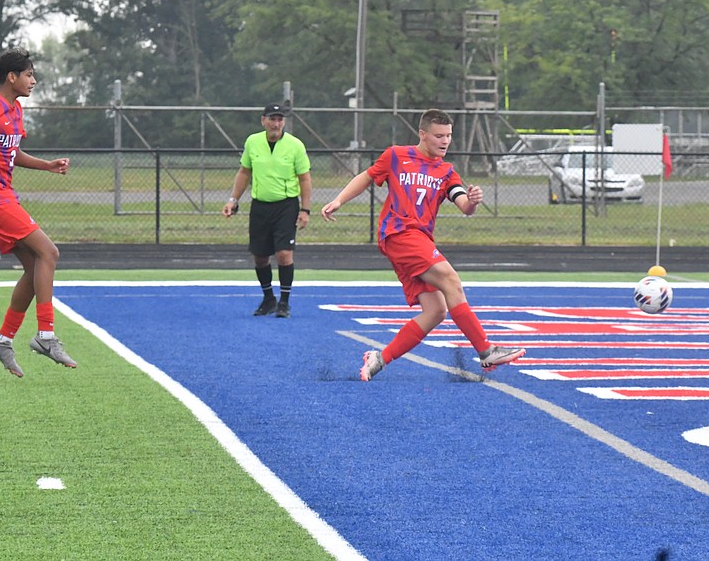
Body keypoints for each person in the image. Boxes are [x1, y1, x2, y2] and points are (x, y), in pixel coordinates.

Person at [321, 108, 525, 380]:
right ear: (423, 134)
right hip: (399, 234)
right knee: (451, 281)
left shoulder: (446, 171)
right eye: (439, 135)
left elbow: (464, 205)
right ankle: (486, 350)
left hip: (418, 241)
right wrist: (339, 200)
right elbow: (367, 177)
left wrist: (473, 201)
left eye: (449, 135)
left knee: (436, 310)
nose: (445, 141)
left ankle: (380, 358)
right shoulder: (396, 155)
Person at [0, 47, 76, 377]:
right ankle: (46, 336)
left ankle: (2, 340)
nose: (34, 80)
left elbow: (11, 152)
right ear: (12, 77)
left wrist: (46, 165)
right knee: (49, 252)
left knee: (34, 269)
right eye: (29, 74)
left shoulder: (15, 109)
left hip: (5, 197)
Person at [223, 103, 312, 318]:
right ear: (263, 120)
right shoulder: (253, 142)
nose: (276, 123)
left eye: (280, 119)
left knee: (283, 254)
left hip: (286, 205)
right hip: (260, 206)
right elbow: (244, 172)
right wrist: (233, 199)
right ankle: (268, 298)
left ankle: (284, 301)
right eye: (272, 118)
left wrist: (305, 209)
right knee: (260, 256)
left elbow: (304, 178)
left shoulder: (295, 145)